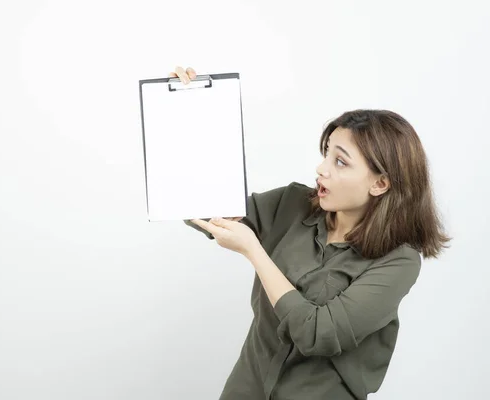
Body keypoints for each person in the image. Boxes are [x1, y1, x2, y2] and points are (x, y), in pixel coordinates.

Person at [173, 66, 451, 399]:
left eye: (341, 162)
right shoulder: (292, 203)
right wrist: (192, 113)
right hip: (246, 388)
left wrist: (254, 252)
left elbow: (319, 333)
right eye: (326, 154)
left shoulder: (399, 262)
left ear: (380, 184)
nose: (321, 169)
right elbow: (201, 207)